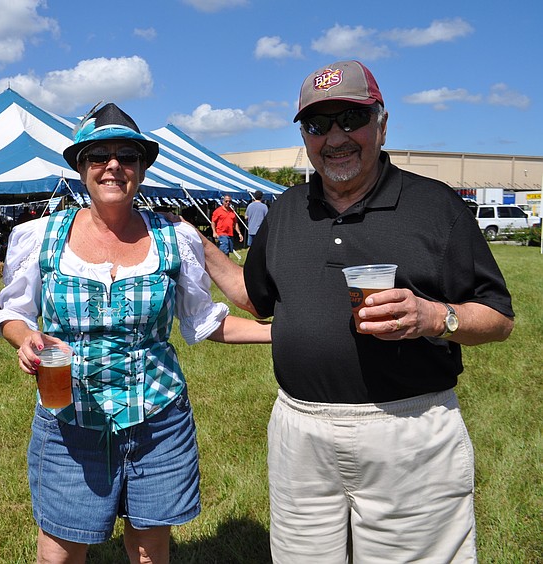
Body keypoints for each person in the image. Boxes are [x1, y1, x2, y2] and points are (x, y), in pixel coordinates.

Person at [201, 60, 515, 562]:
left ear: (382, 123)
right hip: (300, 432)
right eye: (317, 124)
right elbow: (256, 298)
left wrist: (435, 318)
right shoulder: (285, 209)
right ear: (305, 135)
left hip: (407, 430)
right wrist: (198, 247)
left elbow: (498, 318)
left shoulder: (436, 208)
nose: (335, 137)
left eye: (351, 118)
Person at [0, 102, 271, 564]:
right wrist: (25, 339)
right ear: (81, 167)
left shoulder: (174, 237)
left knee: (148, 549)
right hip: (68, 418)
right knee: (59, 550)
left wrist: (287, 334)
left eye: (128, 156)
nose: (113, 165)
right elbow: (14, 312)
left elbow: (206, 322)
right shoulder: (40, 236)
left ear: (142, 168)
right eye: (98, 155)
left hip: (157, 418)